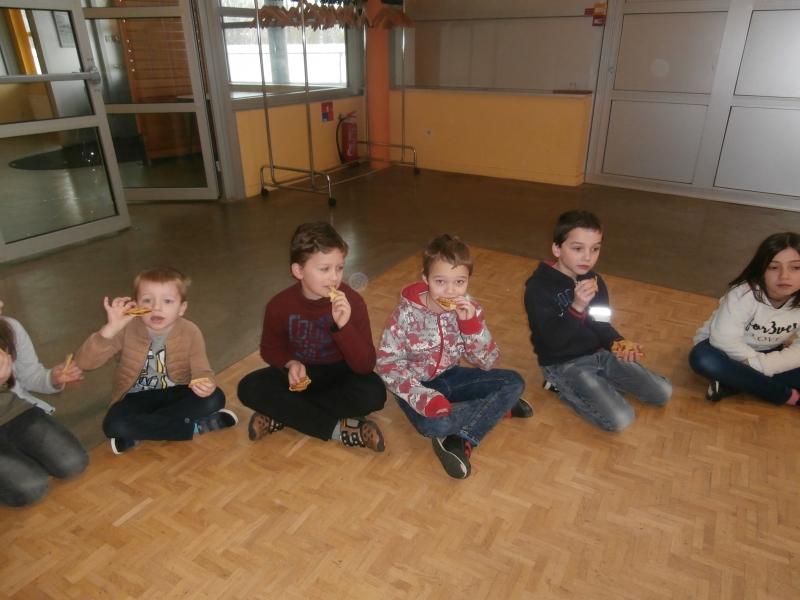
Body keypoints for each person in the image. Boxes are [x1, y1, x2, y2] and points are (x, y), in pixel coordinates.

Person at [377, 234, 530, 480]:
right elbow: (388, 366)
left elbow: (487, 362)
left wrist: (471, 327)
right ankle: (496, 407)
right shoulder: (404, 316)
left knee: (514, 382)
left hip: (453, 376)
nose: (450, 291)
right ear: (425, 278)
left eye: (459, 282)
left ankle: (461, 436)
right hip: (416, 386)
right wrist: (424, 397)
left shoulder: (470, 308)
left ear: (468, 279)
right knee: (434, 426)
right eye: (440, 281)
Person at [237, 222, 387, 452]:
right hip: (301, 375)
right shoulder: (279, 305)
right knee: (249, 387)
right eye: (324, 269)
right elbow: (270, 348)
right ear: (299, 271)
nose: (334, 277)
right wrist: (290, 363)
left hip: (341, 373)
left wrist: (344, 326)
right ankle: (338, 429)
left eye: (339, 268)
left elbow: (364, 365)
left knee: (374, 393)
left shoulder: (353, 302)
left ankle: (283, 414)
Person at [524, 210, 671, 432]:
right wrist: (577, 307)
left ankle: (596, 382)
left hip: (600, 353)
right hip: (563, 362)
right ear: (557, 249)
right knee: (621, 419)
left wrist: (617, 343)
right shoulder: (538, 288)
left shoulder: (595, 281)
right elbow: (554, 341)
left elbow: (601, 323)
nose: (587, 257)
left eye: (595, 249)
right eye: (577, 248)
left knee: (662, 392)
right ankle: (561, 386)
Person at [74, 267, 235, 455]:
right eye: (147, 300)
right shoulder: (125, 329)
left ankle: (140, 431)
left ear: (182, 308)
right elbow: (84, 363)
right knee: (113, 425)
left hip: (177, 391)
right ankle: (194, 427)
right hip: (136, 396)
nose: (156, 307)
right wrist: (109, 330)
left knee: (215, 398)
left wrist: (206, 383)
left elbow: (202, 370)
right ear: (136, 305)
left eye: (167, 301)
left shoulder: (191, 331)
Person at [689, 232, 800, 406]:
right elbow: (723, 340)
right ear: (760, 269)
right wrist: (759, 364)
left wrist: (760, 364)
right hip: (721, 350)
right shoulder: (743, 294)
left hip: (766, 353)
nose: (784, 276)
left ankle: (733, 381)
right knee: (704, 360)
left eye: (795, 267)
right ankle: (787, 396)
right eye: (773, 267)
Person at [0, 300, 88, 507]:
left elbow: (30, 375)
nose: (1, 303)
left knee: (73, 464)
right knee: (31, 488)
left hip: (15, 411)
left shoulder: (9, 328)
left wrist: (53, 379)